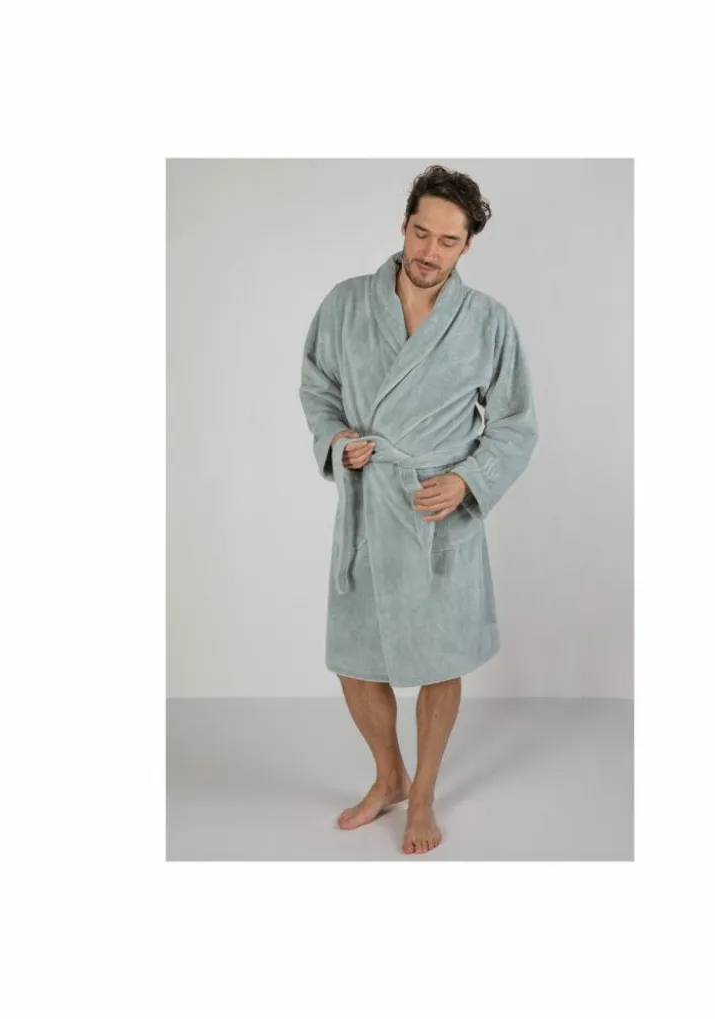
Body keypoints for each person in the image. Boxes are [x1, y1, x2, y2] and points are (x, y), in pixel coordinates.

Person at [298, 165, 538, 854]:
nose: (430, 252)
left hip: (438, 512)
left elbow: (514, 423)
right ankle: (389, 776)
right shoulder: (346, 304)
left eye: (448, 241)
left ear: (468, 246)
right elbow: (318, 387)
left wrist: (468, 480)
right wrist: (337, 440)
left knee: (439, 659)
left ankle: (424, 792)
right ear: (404, 225)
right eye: (422, 233)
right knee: (354, 660)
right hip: (370, 504)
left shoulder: (488, 321)